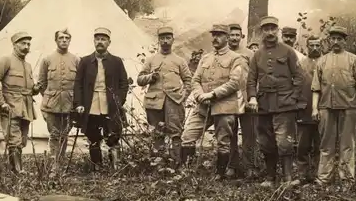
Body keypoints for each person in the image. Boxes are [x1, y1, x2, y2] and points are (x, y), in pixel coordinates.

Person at [311, 25, 356, 186]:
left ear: (345, 41)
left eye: (340, 39)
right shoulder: (322, 61)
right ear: (329, 40)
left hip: (349, 108)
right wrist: (314, 108)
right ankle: (324, 179)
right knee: (326, 144)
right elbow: (316, 88)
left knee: (347, 145)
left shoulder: (353, 59)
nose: (336, 41)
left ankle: (346, 180)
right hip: (326, 108)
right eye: (333, 38)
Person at [246, 16, 304, 188]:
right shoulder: (257, 55)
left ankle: (287, 179)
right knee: (266, 142)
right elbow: (251, 80)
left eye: (273, 29)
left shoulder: (288, 51)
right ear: (261, 31)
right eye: (266, 29)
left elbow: (299, 77)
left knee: (284, 142)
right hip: (264, 105)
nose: (270, 32)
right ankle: (270, 179)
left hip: (285, 105)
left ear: (277, 30)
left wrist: (293, 98)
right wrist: (253, 97)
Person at [181, 24, 243, 180]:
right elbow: (195, 79)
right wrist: (200, 94)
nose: (215, 38)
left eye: (220, 35)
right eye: (214, 34)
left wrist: (212, 95)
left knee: (223, 142)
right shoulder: (206, 58)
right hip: (203, 106)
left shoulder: (236, 58)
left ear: (228, 38)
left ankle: (219, 175)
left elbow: (234, 83)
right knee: (188, 135)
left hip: (224, 107)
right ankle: (186, 172)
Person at [73, 27, 129, 171]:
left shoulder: (116, 61)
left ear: (109, 42)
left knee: (113, 135)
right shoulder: (85, 61)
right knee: (93, 136)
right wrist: (79, 103)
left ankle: (114, 167)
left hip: (110, 104)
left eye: (103, 39)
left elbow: (124, 83)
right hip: (91, 104)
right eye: (97, 39)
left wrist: (119, 101)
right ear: (93, 41)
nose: (100, 42)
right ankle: (96, 167)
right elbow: (78, 84)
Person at [137, 26, 192, 165]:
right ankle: (158, 164)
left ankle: (176, 163)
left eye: (168, 38)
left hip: (174, 102)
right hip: (154, 103)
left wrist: (183, 97)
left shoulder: (180, 61)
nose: (165, 41)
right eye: (162, 38)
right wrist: (150, 77)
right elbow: (139, 79)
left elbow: (188, 81)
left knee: (176, 133)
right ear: (158, 40)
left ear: (173, 40)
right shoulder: (151, 60)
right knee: (157, 133)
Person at [0, 32, 40, 174]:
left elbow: (28, 89)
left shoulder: (28, 65)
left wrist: (36, 89)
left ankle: (17, 168)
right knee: (14, 140)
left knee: (22, 140)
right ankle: (17, 171)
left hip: (26, 107)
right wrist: (0, 103)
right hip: (10, 107)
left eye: (28, 44)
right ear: (14, 45)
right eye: (22, 43)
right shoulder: (6, 61)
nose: (26, 47)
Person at [37, 29, 80, 176]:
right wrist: (50, 96)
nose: (64, 40)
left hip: (69, 104)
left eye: (67, 38)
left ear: (70, 40)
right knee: (54, 134)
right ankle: (54, 166)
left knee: (65, 134)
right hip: (51, 105)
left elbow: (79, 84)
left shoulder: (76, 60)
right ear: (56, 40)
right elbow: (41, 83)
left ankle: (61, 163)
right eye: (61, 38)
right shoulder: (47, 60)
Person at [225, 23, 257, 180]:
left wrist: (253, 97)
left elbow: (254, 77)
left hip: (246, 98)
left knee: (249, 134)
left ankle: (249, 166)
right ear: (227, 36)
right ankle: (232, 165)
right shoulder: (222, 53)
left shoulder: (249, 54)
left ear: (242, 37)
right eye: (232, 35)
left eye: (238, 35)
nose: (234, 38)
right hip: (228, 99)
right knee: (230, 134)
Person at [294, 35, 322, 185]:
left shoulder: (326, 62)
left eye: (318, 45)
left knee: (320, 144)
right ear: (307, 46)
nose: (315, 48)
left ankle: (319, 175)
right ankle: (302, 175)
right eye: (312, 45)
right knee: (303, 145)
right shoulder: (300, 64)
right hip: (304, 109)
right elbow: (295, 85)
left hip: (323, 110)